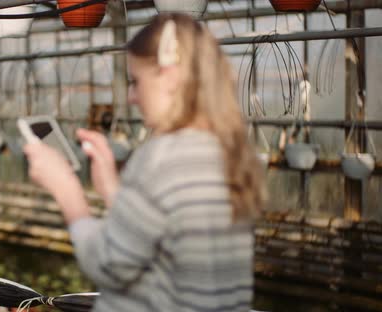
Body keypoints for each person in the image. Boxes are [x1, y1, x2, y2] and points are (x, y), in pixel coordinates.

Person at [23, 13, 265, 312]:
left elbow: (108, 263)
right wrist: (113, 190)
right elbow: (164, 234)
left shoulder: (162, 158)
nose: (132, 96)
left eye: (136, 81)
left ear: (170, 76)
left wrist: (67, 190)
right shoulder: (229, 152)